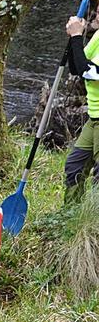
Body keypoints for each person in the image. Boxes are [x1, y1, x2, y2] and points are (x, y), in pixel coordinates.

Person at [64, 12, 99, 204]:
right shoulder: (98, 35)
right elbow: (77, 68)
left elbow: (89, 71)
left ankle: (93, 225)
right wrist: (73, 39)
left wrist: (77, 36)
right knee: (74, 167)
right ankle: (70, 216)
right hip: (94, 117)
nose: (98, 15)